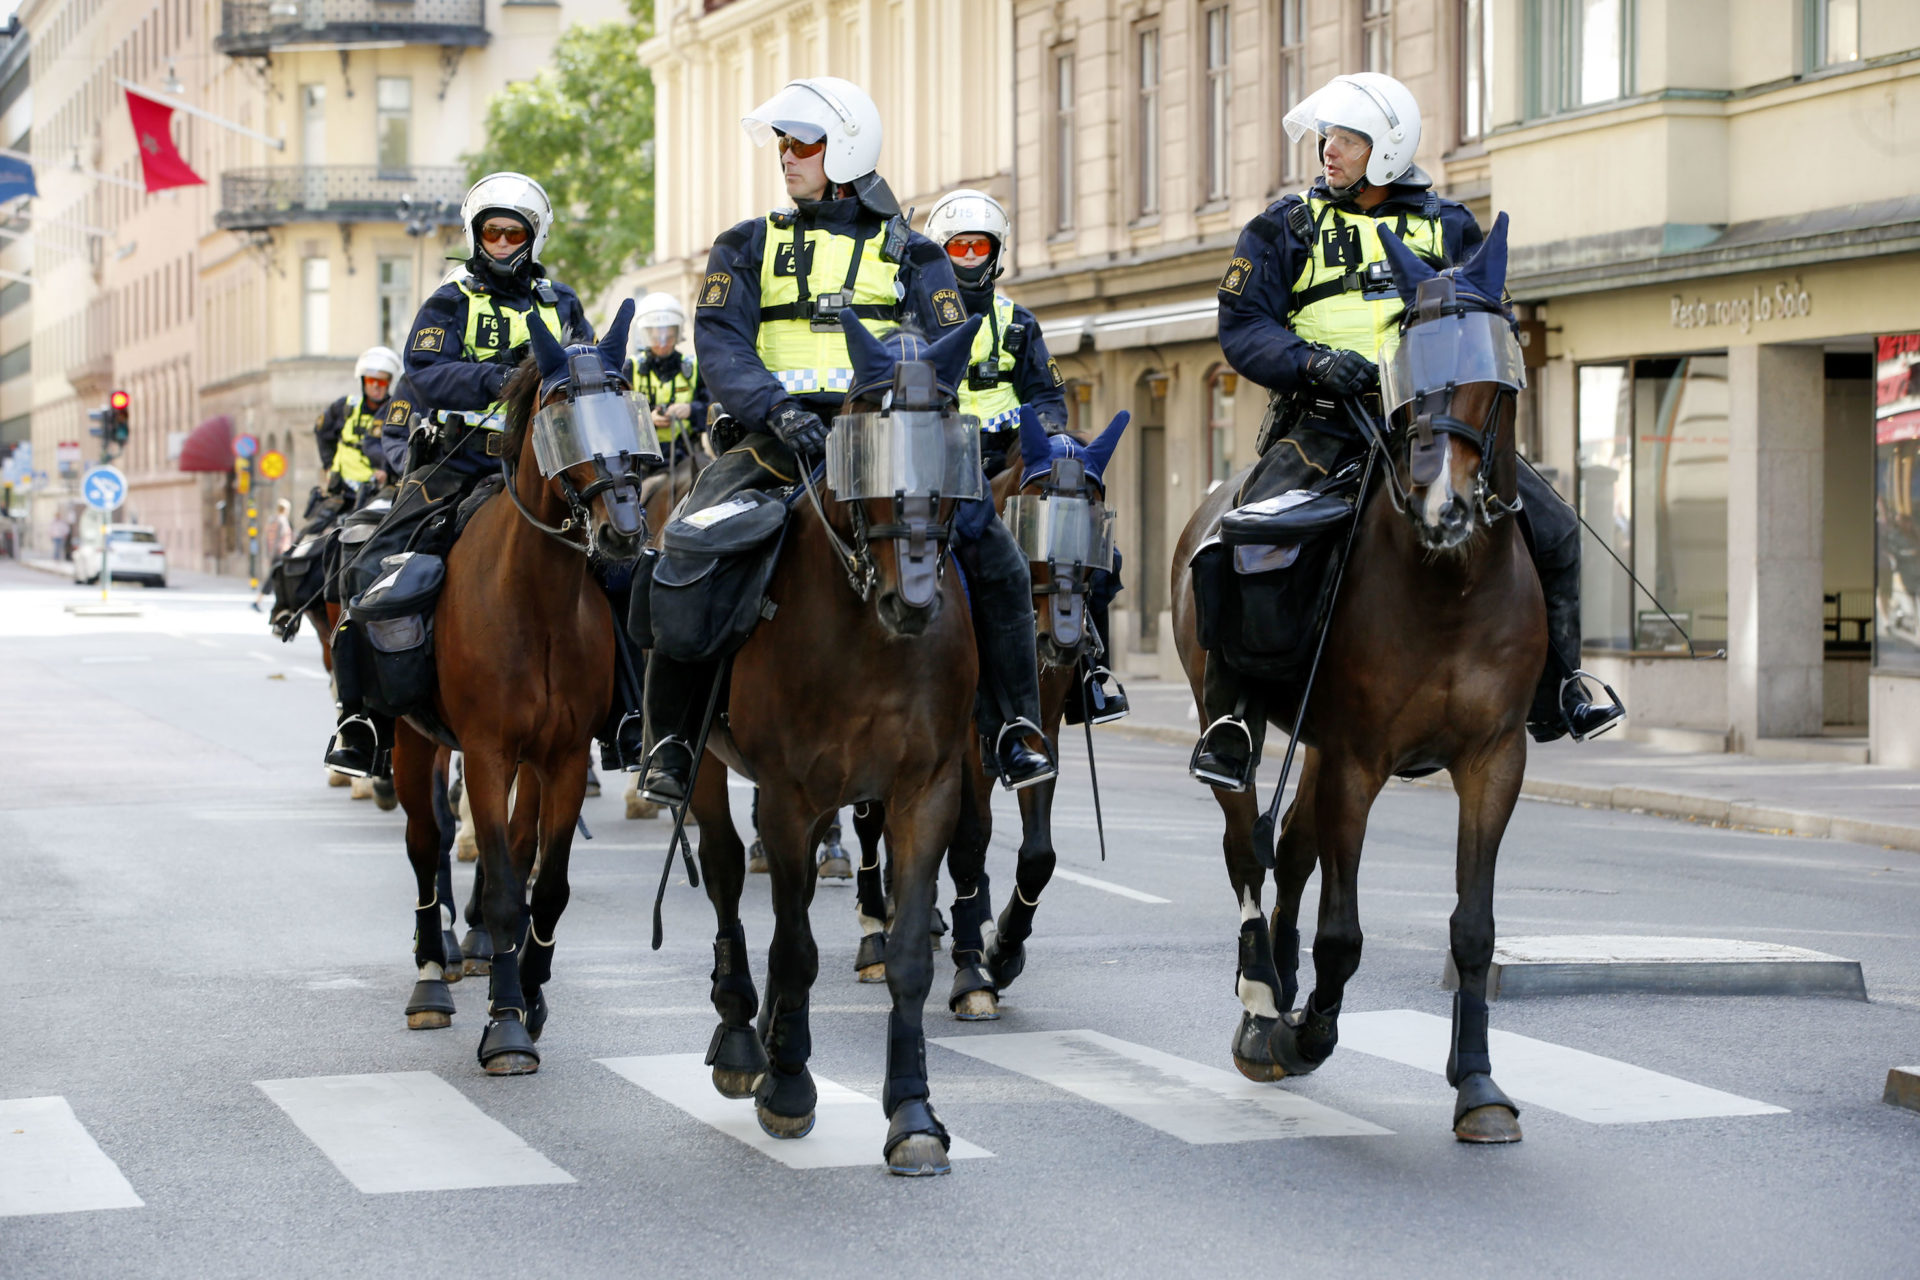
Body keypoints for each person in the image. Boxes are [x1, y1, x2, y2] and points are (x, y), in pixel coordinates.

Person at [1193, 71, 1622, 791]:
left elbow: (1491, 318)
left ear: (1387, 150)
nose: (1329, 151)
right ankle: (1233, 717)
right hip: (1326, 423)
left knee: (1552, 528)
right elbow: (1241, 327)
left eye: (1349, 140)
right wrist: (1311, 362)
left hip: (1433, 423)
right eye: (1326, 137)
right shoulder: (1282, 226)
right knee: (1246, 535)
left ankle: (1562, 687)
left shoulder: (1452, 226)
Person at [639, 76, 1056, 805]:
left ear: (848, 149)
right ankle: (671, 739)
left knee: (997, 556)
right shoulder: (745, 243)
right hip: (774, 440)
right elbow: (722, 344)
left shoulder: (919, 256)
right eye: (784, 143)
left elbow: (944, 347)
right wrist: (774, 407)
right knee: (686, 545)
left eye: (804, 143)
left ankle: (1013, 725)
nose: (787, 156)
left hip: (890, 442)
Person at [323, 171, 599, 778]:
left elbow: (588, 368)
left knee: (621, 565)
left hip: (545, 464)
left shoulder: (563, 302)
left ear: (534, 237)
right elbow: (423, 370)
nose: (500, 243)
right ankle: (360, 717)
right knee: (369, 562)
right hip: (459, 462)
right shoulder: (450, 298)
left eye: (512, 232)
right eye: (490, 232)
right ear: (476, 236)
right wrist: (506, 380)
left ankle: (632, 719)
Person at [923, 187, 1128, 721]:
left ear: (997, 252)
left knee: (1084, 523)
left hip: (1005, 455)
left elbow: (1045, 394)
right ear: (941, 251)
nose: (970, 259)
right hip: (934, 454)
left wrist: (1049, 436)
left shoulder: (1019, 323)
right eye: (959, 249)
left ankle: (1089, 672)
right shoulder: (914, 314)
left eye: (979, 249)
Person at [628, 293, 710, 466]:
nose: (663, 344)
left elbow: (713, 409)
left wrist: (690, 410)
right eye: (655, 338)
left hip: (686, 456)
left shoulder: (695, 367)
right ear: (645, 335)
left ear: (678, 333)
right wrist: (647, 418)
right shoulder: (631, 368)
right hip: (641, 463)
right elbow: (616, 417)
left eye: (669, 337)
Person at [314, 347, 402, 502]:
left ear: (389, 382)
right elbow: (322, 431)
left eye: (381, 381)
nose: (376, 386)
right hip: (342, 488)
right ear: (363, 381)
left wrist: (387, 471)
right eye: (371, 380)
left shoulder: (397, 412)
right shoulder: (346, 406)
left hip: (377, 490)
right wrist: (328, 466)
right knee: (317, 524)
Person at [251, 498, 296, 610]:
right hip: (281, 554)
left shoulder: (273, 520)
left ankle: (263, 602)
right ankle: (263, 602)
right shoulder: (282, 521)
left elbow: (268, 539)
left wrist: (268, 555)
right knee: (276, 579)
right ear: (286, 509)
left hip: (276, 554)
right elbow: (278, 540)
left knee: (275, 579)